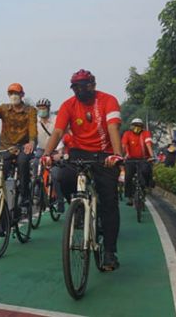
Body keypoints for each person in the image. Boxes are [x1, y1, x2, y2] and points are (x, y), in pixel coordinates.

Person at [42, 69, 124, 271]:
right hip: (79, 153)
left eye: (84, 86)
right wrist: (46, 154)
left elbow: (113, 127)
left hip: (105, 155)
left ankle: (110, 253)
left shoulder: (108, 100)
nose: (80, 90)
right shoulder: (68, 105)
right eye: (75, 87)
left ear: (92, 85)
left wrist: (117, 156)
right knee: (63, 176)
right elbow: (59, 131)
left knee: (109, 202)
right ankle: (77, 208)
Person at [0, 82, 37, 207]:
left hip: (23, 146)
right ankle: (2, 220)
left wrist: (31, 141)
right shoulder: (4, 108)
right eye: (11, 93)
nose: (13, 95)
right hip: (5, 148)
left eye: (16, 93)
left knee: (23, 161)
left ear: (22, 94)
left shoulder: (30, 111)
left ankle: (25, 195)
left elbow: (33, 127)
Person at [121, 118, 154, 206]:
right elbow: (123, 146)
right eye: (135, 125)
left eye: (139, 126)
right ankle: (129, 198)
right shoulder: (127, 134)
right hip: (130, 159)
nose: (137, 128)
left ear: (142, 127)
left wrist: (152, 156)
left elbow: (148, 144)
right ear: (131, 126)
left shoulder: (145, 133)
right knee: (128, 177)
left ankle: (146, 187)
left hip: (143, 159)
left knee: (145, 172)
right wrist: (120, 157)